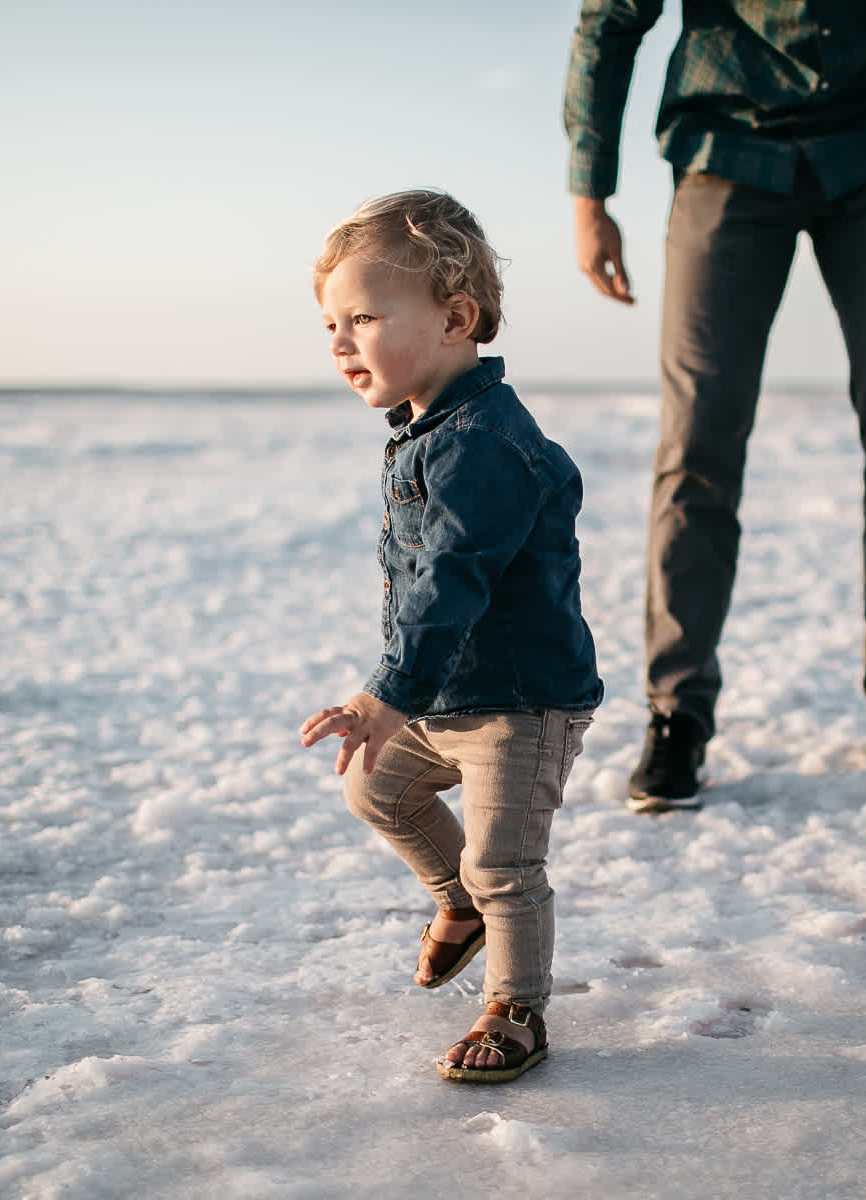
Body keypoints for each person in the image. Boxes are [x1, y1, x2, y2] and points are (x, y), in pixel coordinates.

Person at [563, 0, 866, 810]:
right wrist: (588, 195)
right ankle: (678, 711)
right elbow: (611, 16)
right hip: (726, 145)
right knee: (698, 435)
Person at [299, 190, 603, 1083]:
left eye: (362, 317)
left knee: (505, 859)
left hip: (519, 700)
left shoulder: (481, 443)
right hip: (447, 689)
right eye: (330, 323)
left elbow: (454, 578)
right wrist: (401, 693)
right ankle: (458, 906)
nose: (340, 342)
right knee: (372, 786)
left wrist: (386, 692)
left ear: (455, 317)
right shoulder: (425, 431)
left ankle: (516, 1010)